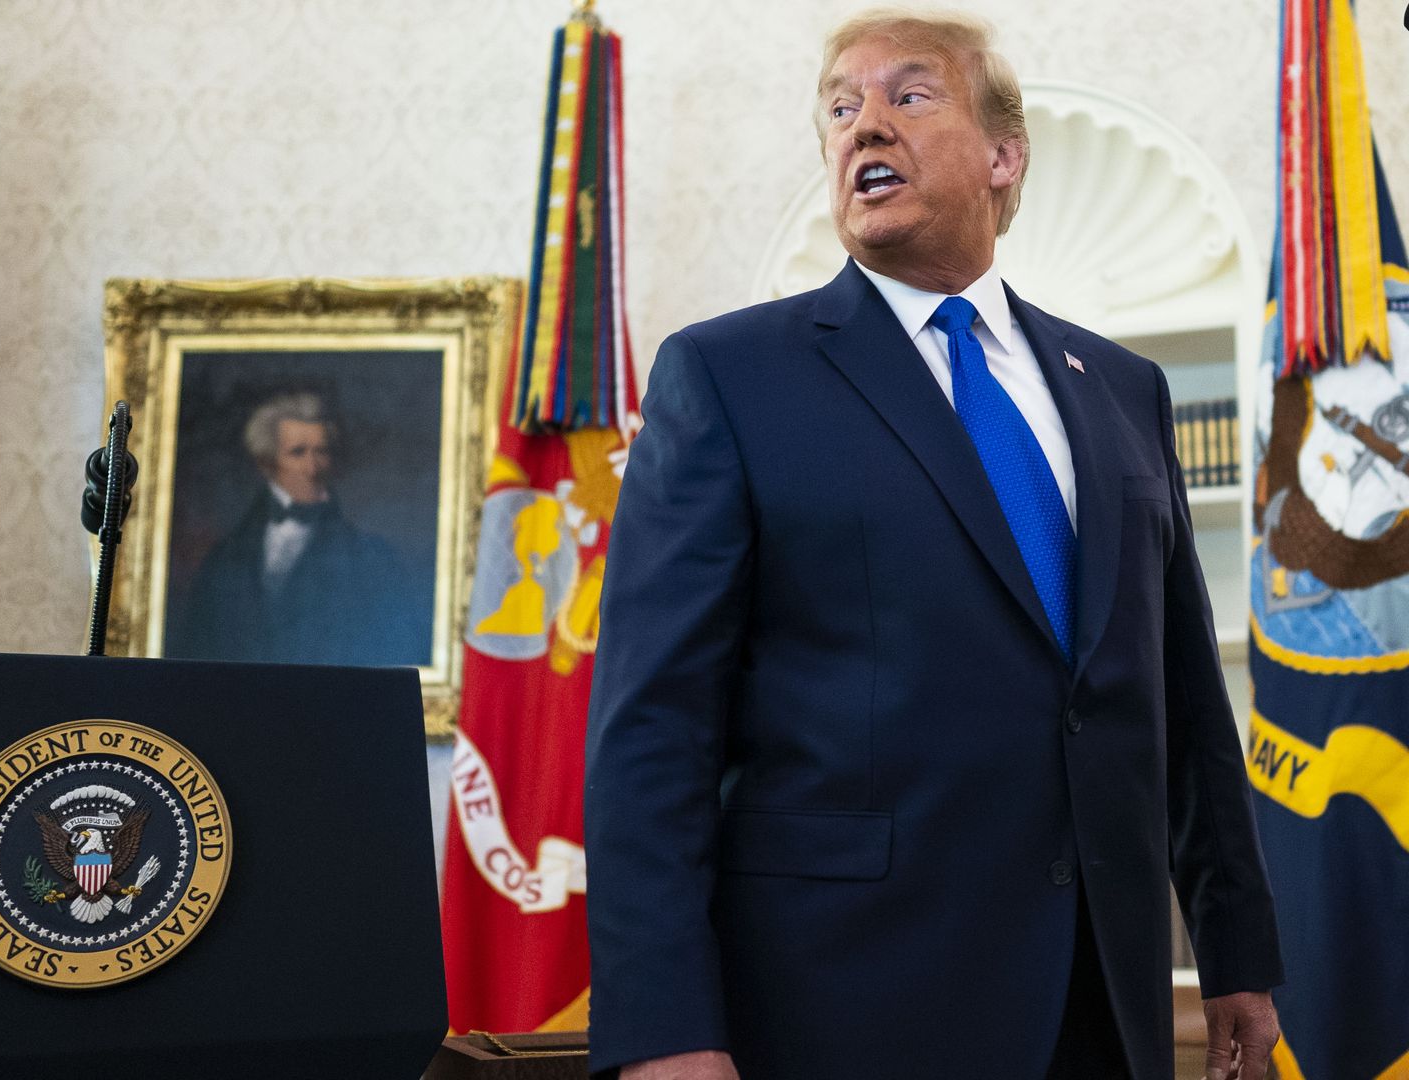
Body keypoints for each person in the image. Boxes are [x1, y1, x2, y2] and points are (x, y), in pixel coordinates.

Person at [584, 10, 1283, 1080]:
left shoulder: (1125, 392)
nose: (865, 126)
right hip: (846, 1004)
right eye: (841, 109)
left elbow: (1180, 697)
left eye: (909, 97)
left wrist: (1236, 945)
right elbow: (652, 731)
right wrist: (665, 1029)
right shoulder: (727, 378)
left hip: (1104, 1001)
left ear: (1004, 157)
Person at [166, 390, 431, 667]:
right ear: (266, 463)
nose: (312, 467)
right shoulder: (223, 560)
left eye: (321, 452)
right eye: (298, 453)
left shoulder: (372, 559)